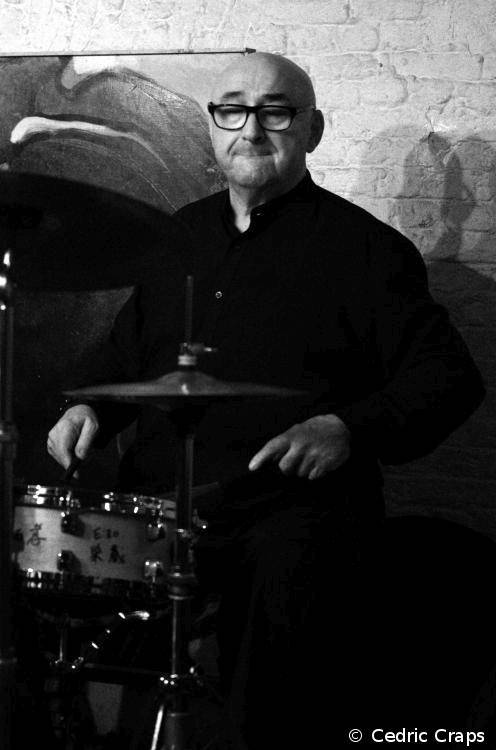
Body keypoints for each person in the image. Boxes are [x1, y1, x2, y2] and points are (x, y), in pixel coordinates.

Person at [47, 52, 485, 747]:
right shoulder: (177, 237)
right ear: (213, 126)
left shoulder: (369, 251)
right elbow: (127, 357)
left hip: (289, 513)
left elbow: (449, 378)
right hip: (168, 505)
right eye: (232, 110)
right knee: (56, 606)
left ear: (312, 130)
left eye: (275, 111)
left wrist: (348, 426)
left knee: (287, 604)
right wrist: (90, 409)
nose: (251, 129)